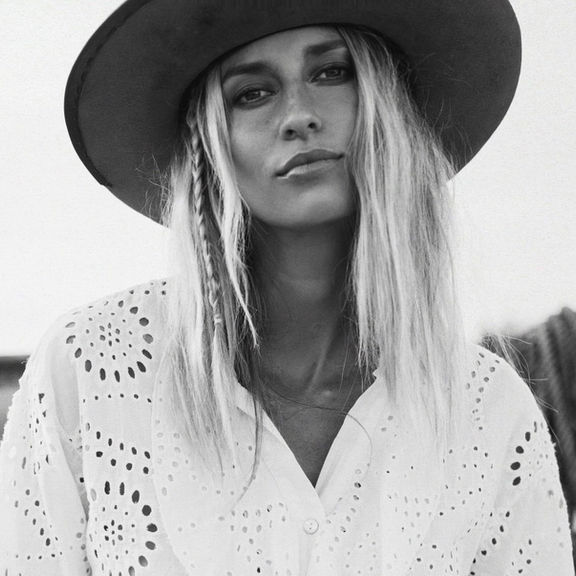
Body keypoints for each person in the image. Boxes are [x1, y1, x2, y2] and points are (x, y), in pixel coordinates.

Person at [0, 0, 573, 574]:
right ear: (208, 147)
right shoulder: (92, 370)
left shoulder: (487, 410)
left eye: (332, 72)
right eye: (252, 93)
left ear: (385, 106)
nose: (299, 115)